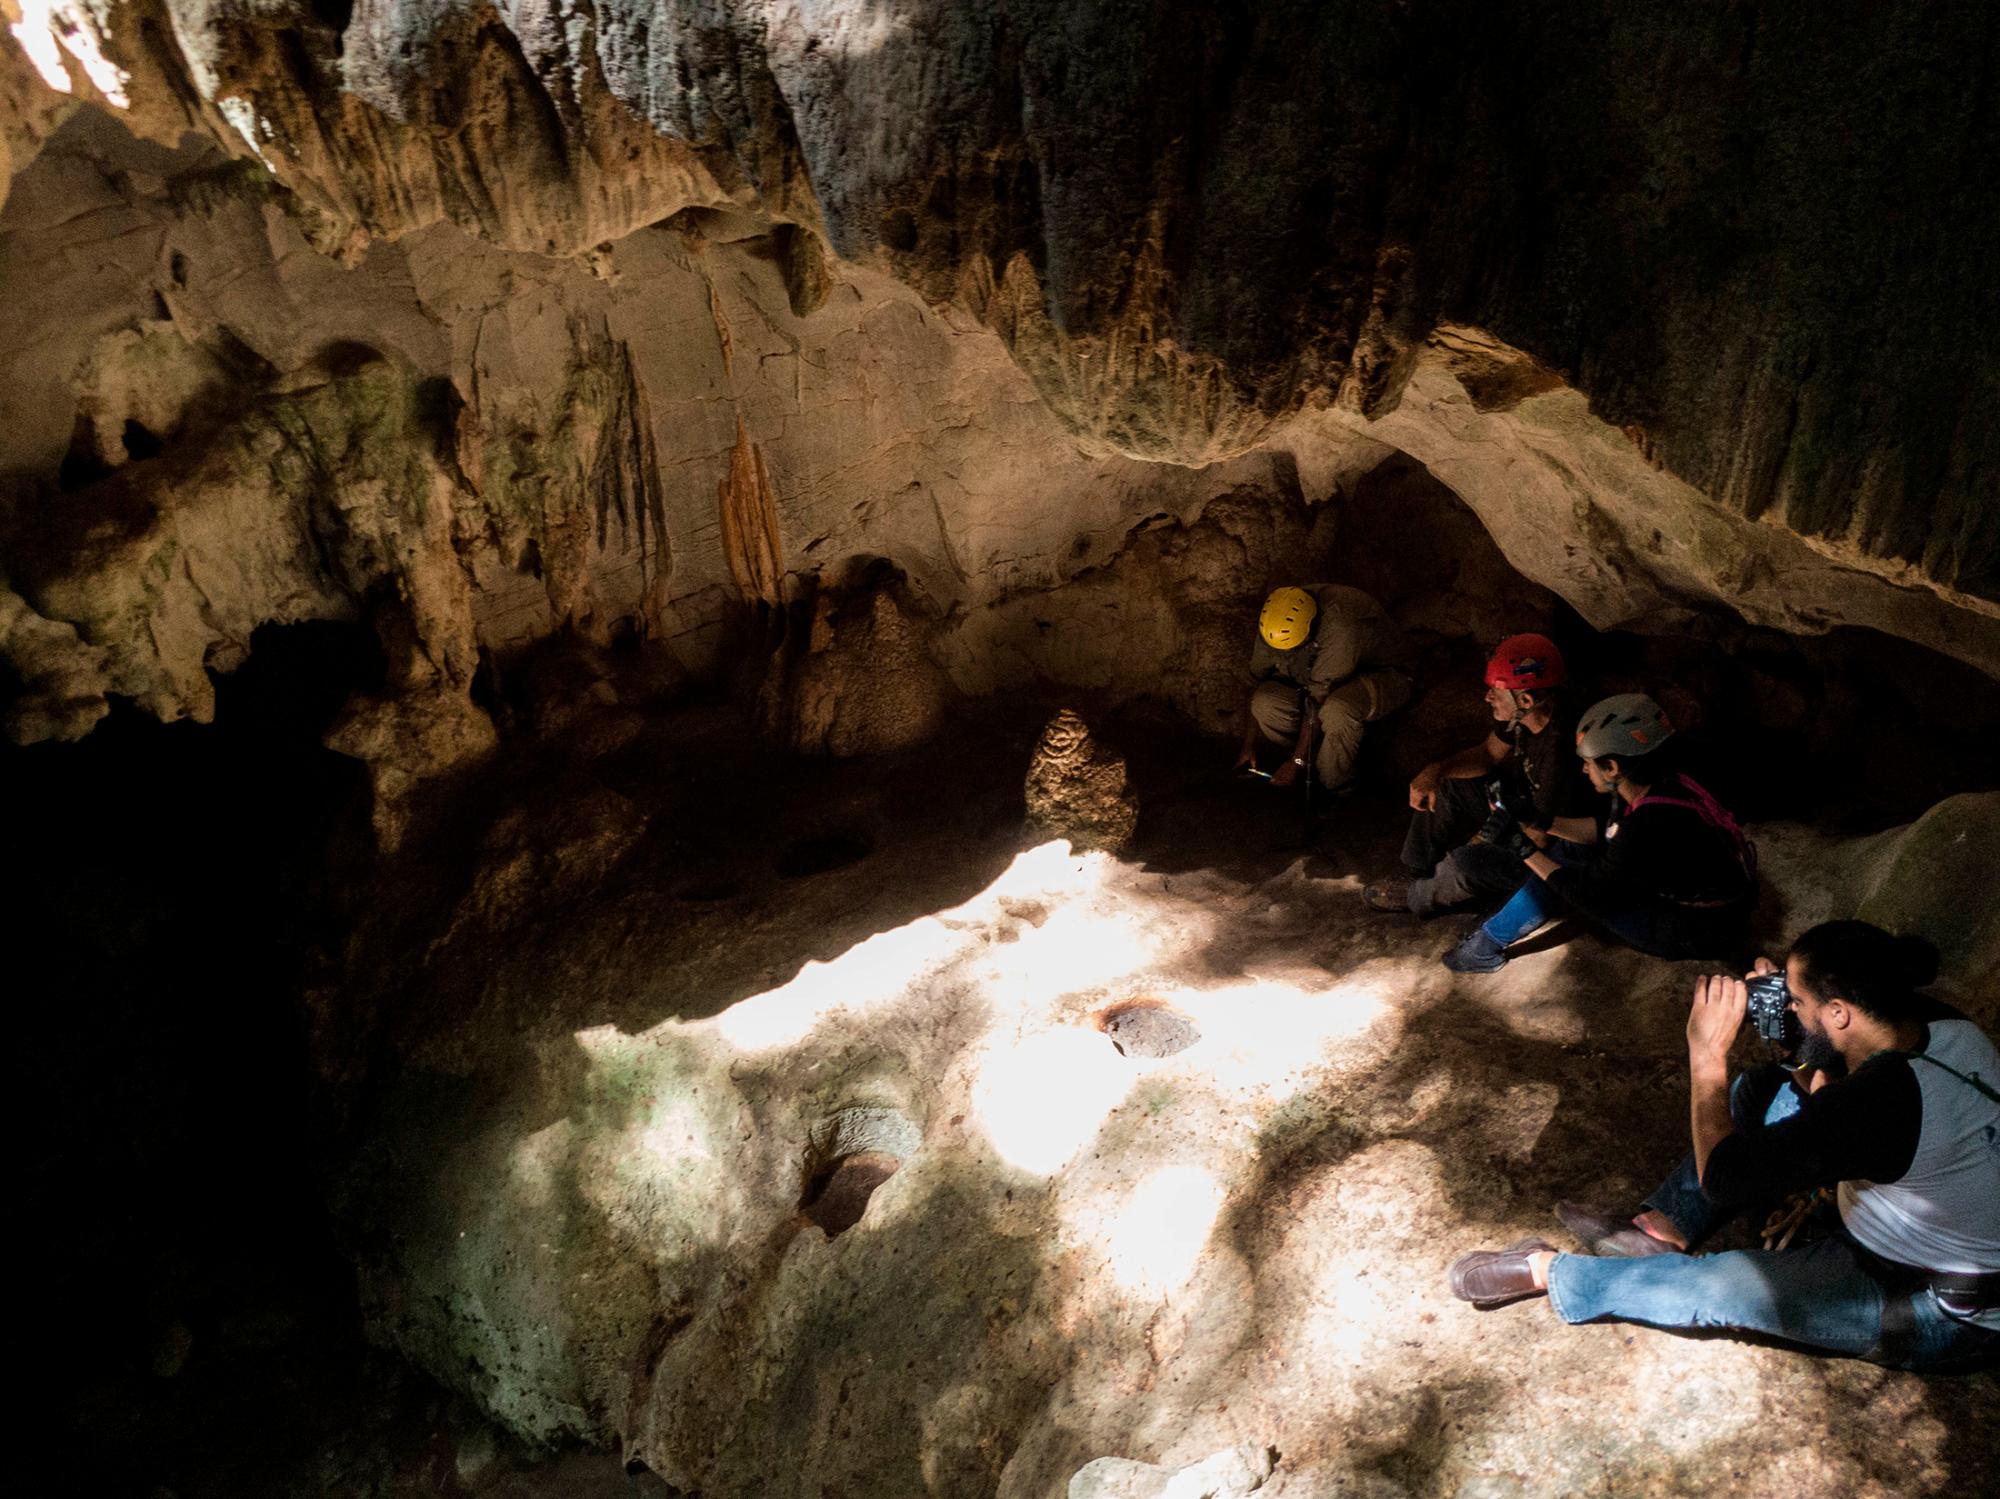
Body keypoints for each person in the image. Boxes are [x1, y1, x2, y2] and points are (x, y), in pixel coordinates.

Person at [1447, 921, 1999, 1373]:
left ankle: (1549, 1271)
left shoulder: (1878, 1106)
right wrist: (1791, 1033)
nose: (1792, 1004)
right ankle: (1663, 1230)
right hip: (1914, 1198)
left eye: (1799, 999)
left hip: (1934, 1303)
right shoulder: (1938, 1021)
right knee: (1763, 1088)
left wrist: (1706, 1055)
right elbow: (1832, 1079)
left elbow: (1726, 1175)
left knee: (1725, 1287)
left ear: (1839, 1012)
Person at [1441, 692, 1755, 973]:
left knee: (1571, 879)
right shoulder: (1658, 781)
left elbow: (1591, 896)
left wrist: (1523, 848)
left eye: (1589, 764)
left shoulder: (1647, 823)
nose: (1584, 770)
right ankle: (1490, 936)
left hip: (1699, 930)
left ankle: (1484, 948)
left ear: (1612, 767)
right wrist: (1538, 819)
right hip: (1721, 894)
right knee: (1574, 853)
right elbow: (1604, 828)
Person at [1364, 633, 1594, 916]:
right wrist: (1435, 771)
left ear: (1525, 699)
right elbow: (1488, 754)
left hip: (1548, 847)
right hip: (1522, 809)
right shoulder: (1527, 715)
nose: (1487, 697)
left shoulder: (1562, 750)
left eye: (1495, 693)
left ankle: (1418, 895)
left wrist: (1486, 837)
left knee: (1466, 862)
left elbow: (1539, 835)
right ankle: (1415, 868)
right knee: (1449, 781)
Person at [1234, 585, 1411, 792]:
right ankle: (1312, 757)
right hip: (1323, 672)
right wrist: (1248, 747)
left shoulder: (1340, 627)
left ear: (1309, 631)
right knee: (1265, 702)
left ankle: (1336, 785)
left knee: (1337, 710)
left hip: (1385, 673)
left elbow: (1317, 701)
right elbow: (1255, 682)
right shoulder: (1275, 620)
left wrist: (1296, 762)